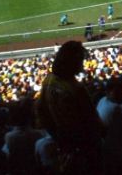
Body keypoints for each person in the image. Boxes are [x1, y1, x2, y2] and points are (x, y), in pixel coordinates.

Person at [35, 41, 103, 173]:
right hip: (83, 147)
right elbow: (91, 120)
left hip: (63, 143)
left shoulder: (49, 80)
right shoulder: (76, 89)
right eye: (80, 61)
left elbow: (40, 111)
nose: (82, 65)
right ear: (72, 63)